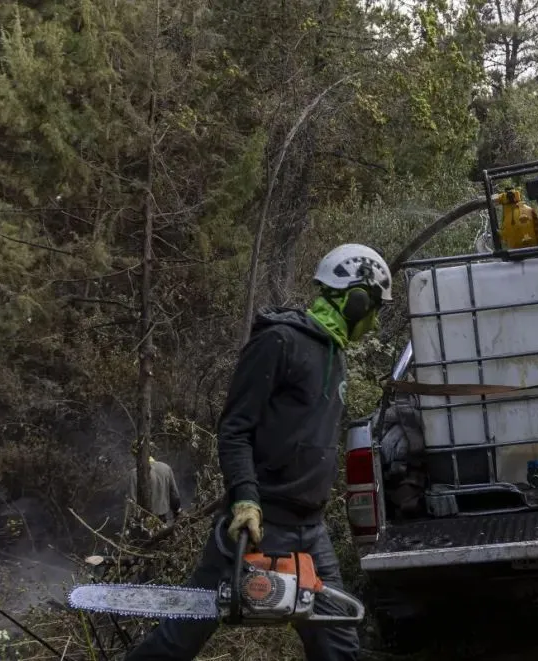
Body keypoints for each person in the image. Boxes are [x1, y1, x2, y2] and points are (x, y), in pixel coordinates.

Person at [125, 243, 393, 661]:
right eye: (373, 306)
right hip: (262, 521)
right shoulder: (278, 341)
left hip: (312, 529)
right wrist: (246, 498)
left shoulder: (336, 354)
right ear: (356, 299)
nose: (374, 320)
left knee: (338, 643)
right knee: (182, 636)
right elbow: (234, 428)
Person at [128, 456, 182, 525]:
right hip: (161, 517)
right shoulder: (165, 468)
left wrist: (131, 521)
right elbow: (174, 494)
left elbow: (133, 501)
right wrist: (177, 511)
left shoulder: (134, 474)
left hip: (144, 520)